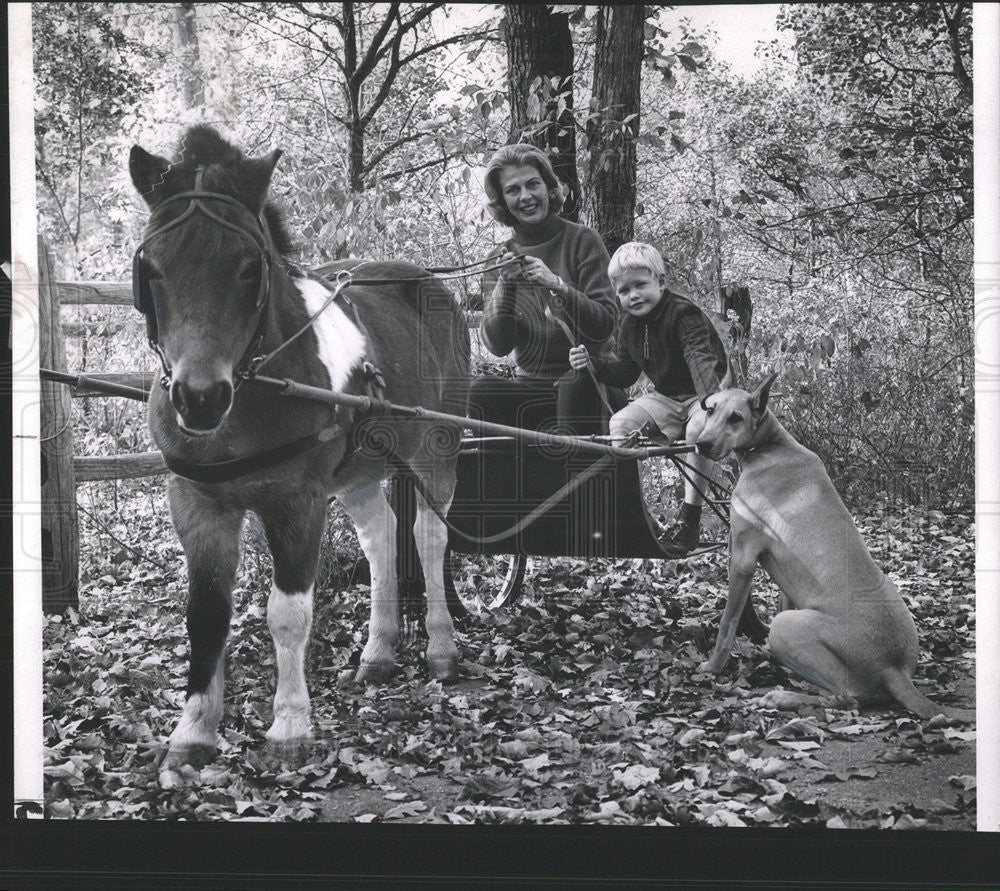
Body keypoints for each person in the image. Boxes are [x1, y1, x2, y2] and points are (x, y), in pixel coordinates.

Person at [569, 242, 727, 553]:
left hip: (702, 394)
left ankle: (688, 521)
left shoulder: (683, 314)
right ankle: (636, 515)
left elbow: (699, 357)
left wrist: (710, 402)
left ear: (661, 282)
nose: (634, 295)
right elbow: (627, 373)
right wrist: (593, 366)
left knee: (698, 430)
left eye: (641, 285)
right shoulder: (629, 325)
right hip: (666, 397)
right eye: (625, 291)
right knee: (621, 423)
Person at [472, 143, 621, 436]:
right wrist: (506, 284)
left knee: (574, 386)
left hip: (589, 382)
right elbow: (498, 345)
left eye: (532, 185)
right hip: (531, 389)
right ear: (502, 200)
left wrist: (558, 285)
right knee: (480, 391)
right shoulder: (499, 258)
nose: (526, 197)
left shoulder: (583, 240)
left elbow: (605, 324)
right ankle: (511, 480)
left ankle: (572, 478)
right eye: (513, 190)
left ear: (549, 189)